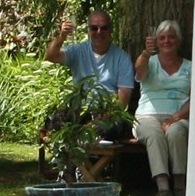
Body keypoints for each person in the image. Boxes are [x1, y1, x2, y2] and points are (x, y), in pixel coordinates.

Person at [45, 9, 134, 140]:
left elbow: (123, 101)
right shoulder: (78, 51)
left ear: (111, 30)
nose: (99, 32)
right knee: (53, 122)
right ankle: (67, 159)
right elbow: (51, 56)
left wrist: (105, 115)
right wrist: (62, 36)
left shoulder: (122, 58)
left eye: (104, 28)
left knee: (106, 129)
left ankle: (86, 158)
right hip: (79, 111)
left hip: (106, 114)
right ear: (89, 30)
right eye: (94, 28)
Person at [133, 20, 191, 196]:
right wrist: (145, 53)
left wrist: (175, 118)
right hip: (147, 115)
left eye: (171, 37)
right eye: (162, 38)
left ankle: (180, 187)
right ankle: (163, 189)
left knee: (176, 132)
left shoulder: (190, 66)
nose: (167, 41)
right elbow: (139, 72)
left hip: (179, 116)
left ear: (179, 41)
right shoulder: (149, 61)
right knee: (154, 133)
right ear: (157, 41)